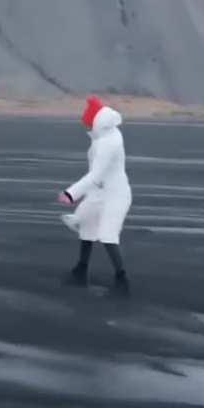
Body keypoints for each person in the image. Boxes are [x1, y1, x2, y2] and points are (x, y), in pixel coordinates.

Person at [58, 96, 132, 292]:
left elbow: (96, 174)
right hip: (100, 191)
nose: (86, 127)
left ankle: (122, 279)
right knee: (87, 227)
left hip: (115, 194)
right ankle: (80, 270)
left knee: (108, 235)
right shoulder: (106, 136)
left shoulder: (108, 144)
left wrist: (71, 193)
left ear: (96, 123)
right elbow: (97, 177)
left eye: (88, 123)